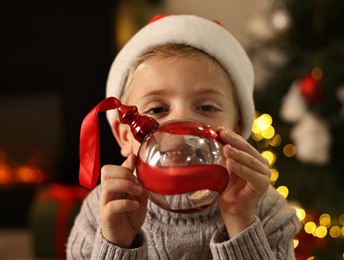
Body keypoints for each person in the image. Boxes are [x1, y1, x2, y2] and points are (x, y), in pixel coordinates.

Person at [67, 14, 301, 259]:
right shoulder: (103, 210)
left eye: (207, 108)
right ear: (125, 136)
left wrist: (240, 221)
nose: (181, 127)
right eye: (157, 110)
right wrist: (117, 244)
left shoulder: (265, 209)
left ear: (239, 127)